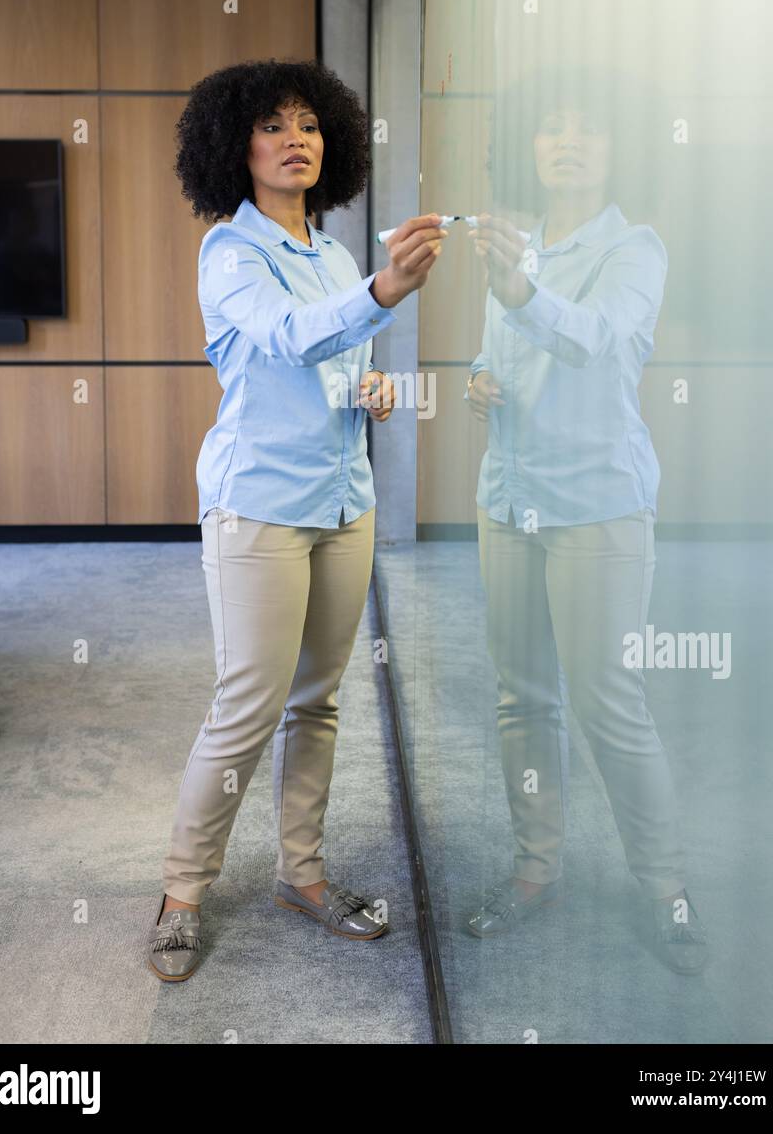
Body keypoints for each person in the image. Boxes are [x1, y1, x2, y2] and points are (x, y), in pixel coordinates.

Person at [147, 58, 447, 980]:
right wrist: (387, 294)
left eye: (309, 125)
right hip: (260, 505)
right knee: (247, 707)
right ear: (234, 146)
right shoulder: (229, 252)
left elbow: (325, 355)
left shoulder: (335, 254)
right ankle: (181, 891)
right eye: (273, 126)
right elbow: (282, 337)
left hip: (340, 502)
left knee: (317, 702)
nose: (295, 140)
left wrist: (367, 389)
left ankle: (302, 876)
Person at [463, 95, 709, 974]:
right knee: (521, 697)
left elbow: (595, 343)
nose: (567, 139)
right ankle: (536, 870)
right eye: (550, 123)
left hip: (597, 506)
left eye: (590, 124)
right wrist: (478, 384)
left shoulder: (633, 249)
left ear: (619, 144)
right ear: (525, 144)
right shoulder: (515, 243)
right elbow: (500, 358)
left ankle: (666, 887)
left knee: (609, 705)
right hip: (509, 500)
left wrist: (519, 292)